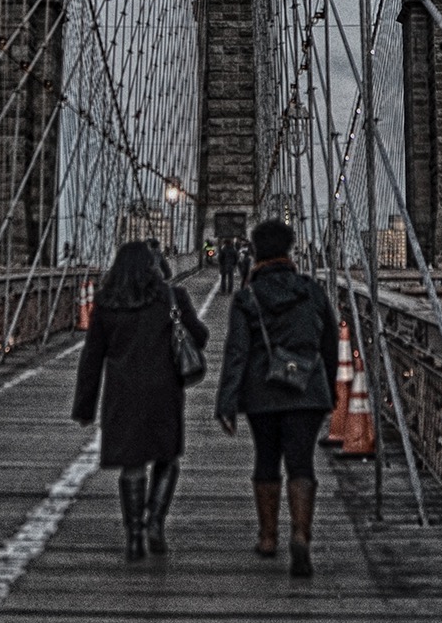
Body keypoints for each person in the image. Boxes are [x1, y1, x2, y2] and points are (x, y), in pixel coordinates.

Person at [213, 218, 339, 578]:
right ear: (289, 249)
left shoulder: (247, 296)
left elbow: (237, 351)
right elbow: (328, 343)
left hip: (262, 390)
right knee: (302, 462)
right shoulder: (312, 291)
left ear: (254, 252)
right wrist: (325, 388)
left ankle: (268, 537)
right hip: (306, 388)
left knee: (266, 458)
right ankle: (300, 534)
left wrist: (226, 401)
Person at [72, 240, 209, 561]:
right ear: (153, 266)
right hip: (164, 392)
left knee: (132, 463)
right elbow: (200, 337)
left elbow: (92, 358)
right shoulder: (172, 298)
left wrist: (84, 407)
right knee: (166, 457)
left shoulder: (106, 303)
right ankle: (155, 524)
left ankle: (134, 534)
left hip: (122, 394)